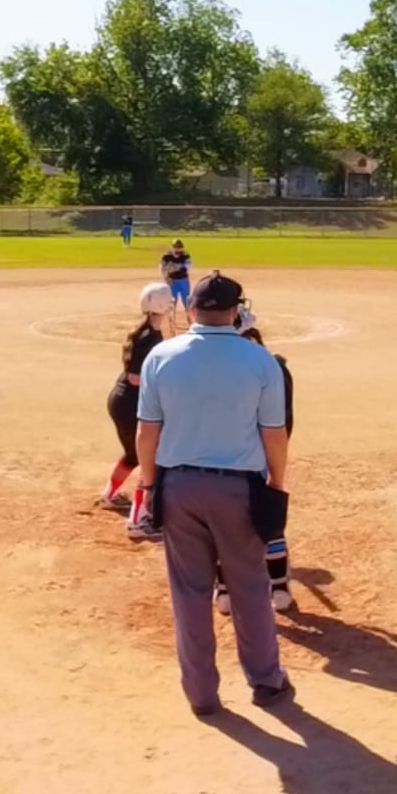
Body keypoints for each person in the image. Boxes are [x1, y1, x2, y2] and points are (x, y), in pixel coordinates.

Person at [136, 271, 294, 715]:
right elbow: (274, 434)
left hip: (179, 486)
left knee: (189, 592)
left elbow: (147, 432)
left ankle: (201, 694)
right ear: (236, 312)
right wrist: (277, 484)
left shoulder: (161, 356)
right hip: (239, 488)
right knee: (250, 587)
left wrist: (149, 483)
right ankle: (266, 681)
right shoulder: (260, 361)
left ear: (191, 310)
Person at [215, 305, 295, 614]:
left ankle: (225, 590)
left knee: (223, 525)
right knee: (269, 521)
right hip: (259, 457)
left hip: (222, 459)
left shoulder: (215, 367)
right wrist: (276, 466)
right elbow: (283, 423)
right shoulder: (273, 366)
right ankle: (279, 588)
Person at [97, 282, 174, 531]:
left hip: (122, 400)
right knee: (149, 460)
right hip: (131, 402)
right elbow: (135, 378)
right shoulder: (150, 337)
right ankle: (139, 518)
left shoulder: (143, 331)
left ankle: (109, 495)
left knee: (133, 454)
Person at [160, 239, 194, 325]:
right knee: (172, 301)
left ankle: (189, 317)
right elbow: (162, 268)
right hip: (172, 281)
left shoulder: (185, 255)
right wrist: (166, 278)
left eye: (179, 247)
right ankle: (172, 319)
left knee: (186, 300)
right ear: (172, 247)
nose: (178, 249)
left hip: (183, 280)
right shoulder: (166, 256)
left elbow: (188, 267)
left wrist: (177, 268)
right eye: (176, 247)